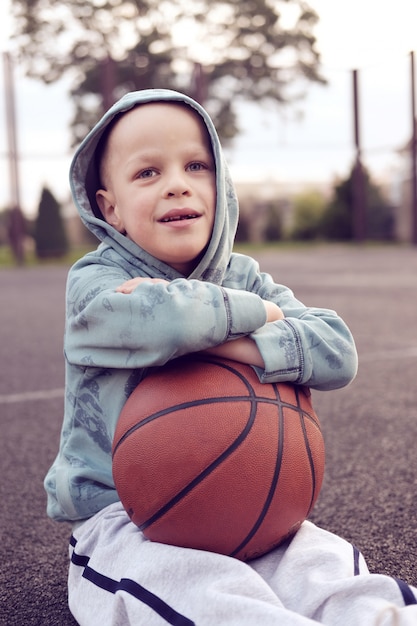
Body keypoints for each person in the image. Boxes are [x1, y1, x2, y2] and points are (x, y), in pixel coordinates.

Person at [45, 89, 416, 625]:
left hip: (251, 502)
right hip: (128, 516)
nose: (177, 182)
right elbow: (165, 318)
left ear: (221, 186)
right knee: (199, 589)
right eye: (147, 173)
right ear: (110, 208)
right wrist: (264, 316)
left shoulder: (243, 276)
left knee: (321, 564)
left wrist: (228, 338)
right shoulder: (96, 283)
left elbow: (336, 349)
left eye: (197, 165)